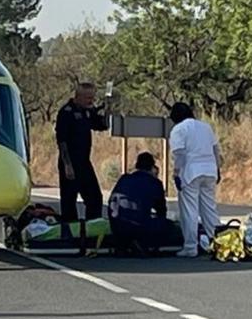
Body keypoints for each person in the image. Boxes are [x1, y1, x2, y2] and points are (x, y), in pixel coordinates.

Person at [168, 101, 221, 258]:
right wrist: (218, 168)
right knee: (209, 208)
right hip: (210, 170)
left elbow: (180, 154)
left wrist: (176, 173)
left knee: (189, 210)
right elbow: (216, 149)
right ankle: (217, 242)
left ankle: (190, 246)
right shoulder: (205, 127)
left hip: (190, 172)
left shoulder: (178, 129)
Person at [55, 82, 108, 226]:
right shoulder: (66, 112)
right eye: (87, 98)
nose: (90, 101)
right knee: (69, 200)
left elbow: (101, 125)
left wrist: (106, 110)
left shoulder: (88, 111)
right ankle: (69, 233)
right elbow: (62, 141)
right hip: (70, 162)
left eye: (92, 98)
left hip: (84, 162)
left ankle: (91, 228)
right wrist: (67, 165)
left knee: (95, 198)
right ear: (78, 96)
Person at [108, 152, 178, 255]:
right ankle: (143, 243)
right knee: (168, 226)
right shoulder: (154, 183)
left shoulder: (124, 178)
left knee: (131, 220)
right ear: (152, 167)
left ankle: (124, 243)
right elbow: (161, 211)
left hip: (116, 226)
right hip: (137, 226)